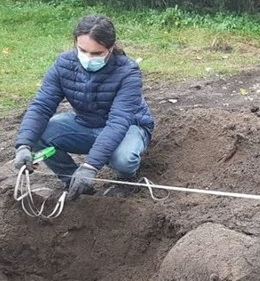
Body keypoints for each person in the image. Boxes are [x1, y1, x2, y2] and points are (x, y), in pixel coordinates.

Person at [12, 14, 154, 200]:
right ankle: (73, 181)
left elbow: (118, 122)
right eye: (82, 50)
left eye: (96, 54)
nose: (88, 58)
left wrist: (90, 166)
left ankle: (127, 180)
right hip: (86, 123)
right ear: (75, 43)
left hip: (129, 127)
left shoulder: (128, 72)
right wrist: (23, 144)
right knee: (39, 134)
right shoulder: (64, 64)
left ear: (110, 48)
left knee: (123, 160)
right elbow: (42, 106)